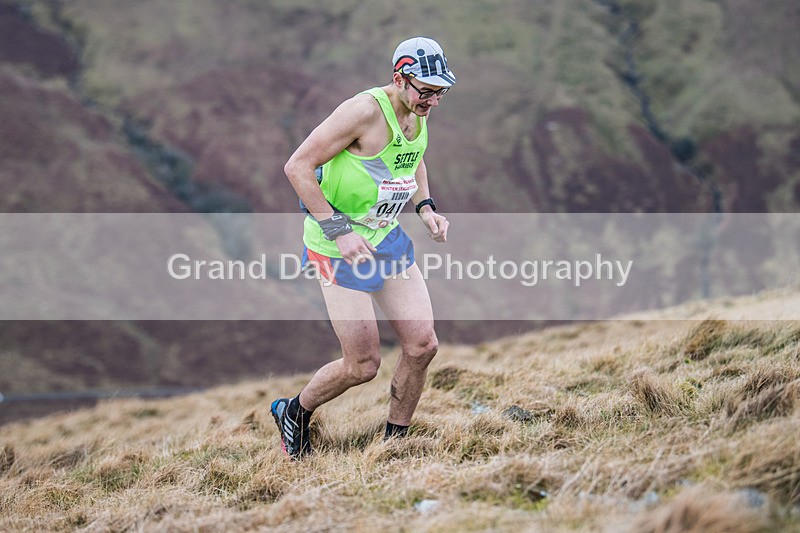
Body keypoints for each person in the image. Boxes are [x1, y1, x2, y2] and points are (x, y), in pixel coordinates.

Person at [271, 36, 455, 458]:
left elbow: (412, 156)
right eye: (426, 92)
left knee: (423, 345)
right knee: (363, 366)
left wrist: (425, 207)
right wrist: (339, 229)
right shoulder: (363, 112)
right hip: (336, 246)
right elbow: (297, 167)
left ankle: (394, 445)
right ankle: (294, 411)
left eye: (440, 92)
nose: (433, 101)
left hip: (385, 236)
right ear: (399, 79)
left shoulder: (418, 111)